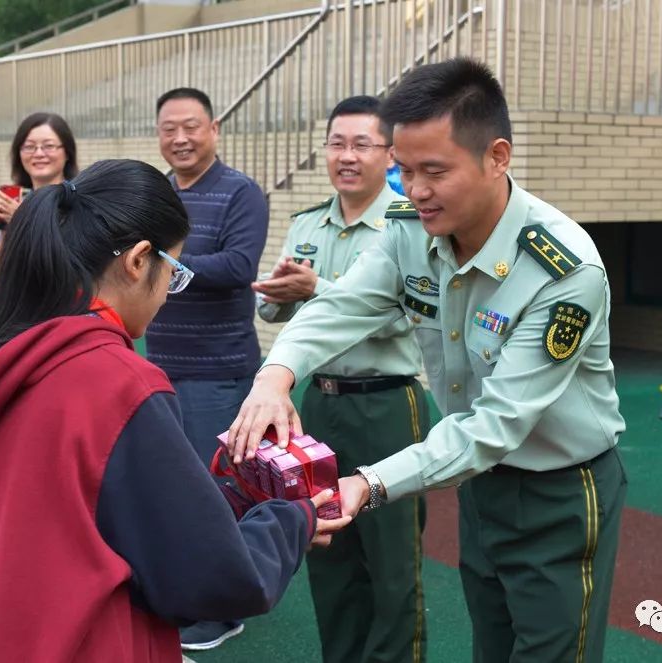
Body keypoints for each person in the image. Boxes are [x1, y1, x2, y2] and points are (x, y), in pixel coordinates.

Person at [228, 58, 627, 663]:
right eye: (405, 169)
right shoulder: (410, 228)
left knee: (551, 652)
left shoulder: (563, 271)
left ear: (497, 156)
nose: (414, 191)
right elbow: (343, 307)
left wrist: (369, 483)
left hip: (560, 492)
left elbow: (494, 426)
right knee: (491, 643)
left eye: (434, 171)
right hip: (479, 482)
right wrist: (274, 377)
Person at [0, 159, 347, 663]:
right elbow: (208, 576)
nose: (168, 291)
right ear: (139, 260)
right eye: (175, 271)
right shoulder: (117, 381)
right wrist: (292, 521)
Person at [254, 95, 429, 663]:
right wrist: (279, 298)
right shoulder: (308, 222)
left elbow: (402, 314)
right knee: (326, 548)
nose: (346, 156)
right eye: (336, 143)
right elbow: (278, 315)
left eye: (361, 144)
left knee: (391, 561)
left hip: (387, 406)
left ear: (390, 155)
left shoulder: (410, 225)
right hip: (319, 404)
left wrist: (316, 291)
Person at [153, 88, 269, 651]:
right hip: (161, 367)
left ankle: (223, 611)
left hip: (219, 370)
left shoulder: (241, 192)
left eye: (191, 127)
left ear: (215, 128)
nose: (180, 138)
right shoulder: (156, 193)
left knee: (215, 491)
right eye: (169, 128)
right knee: (177, 488)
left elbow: (238, 265)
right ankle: (192, 594)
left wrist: (160, 264)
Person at [0, 112, 78, 279]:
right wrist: (6, 227)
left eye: (48, 146)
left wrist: (23, 219)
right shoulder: (18, 202)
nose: (39, 153)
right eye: (29, 146)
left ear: (67, 152)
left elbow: (75, 264)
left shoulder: (81, 200)